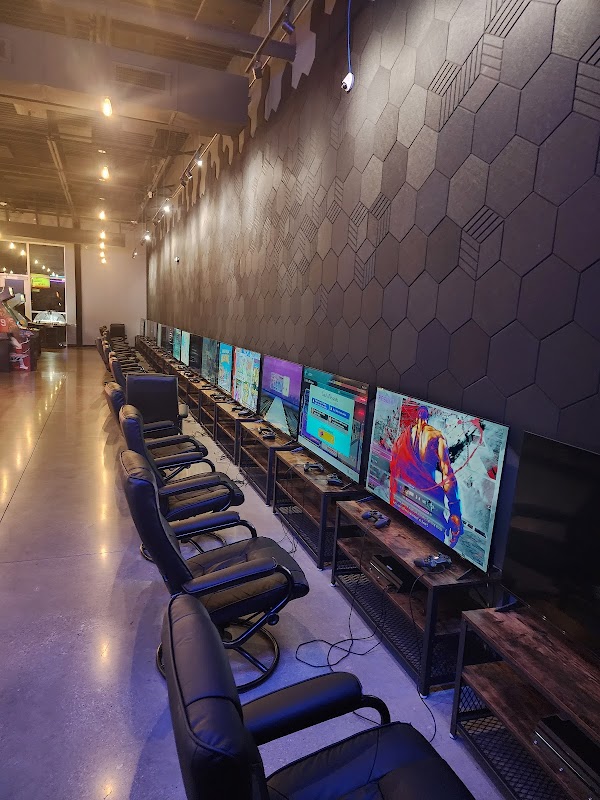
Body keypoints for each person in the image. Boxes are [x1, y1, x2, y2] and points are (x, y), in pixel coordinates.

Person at [389, 405, 463, 547]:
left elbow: (394, 474)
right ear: (427, 416)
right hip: (428, 507)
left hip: (404, 505)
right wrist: (455, 511)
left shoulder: (401, 438)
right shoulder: (436, 436)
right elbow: (447, 475)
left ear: (416, 416)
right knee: (432, 547)